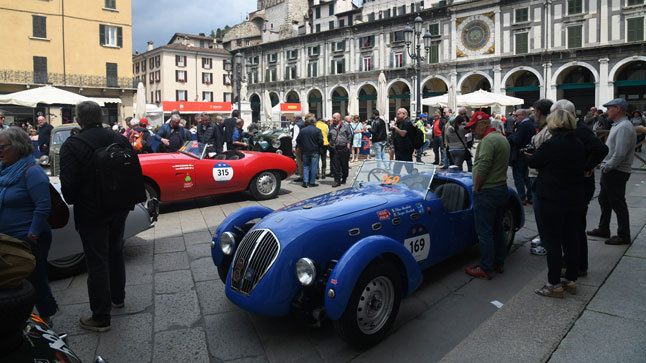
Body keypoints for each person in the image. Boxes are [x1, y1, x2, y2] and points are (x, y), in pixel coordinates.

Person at [59, 100, 137, 332]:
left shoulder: (73, 145)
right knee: (115, 251)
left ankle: (101, 316)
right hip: (120, 207)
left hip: (92, 212)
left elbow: (69, 189)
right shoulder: (119, 139)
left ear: (79, 119)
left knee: (96, 261)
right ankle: (118, 297)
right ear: (101, 117)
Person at [0, 127, 57, 325]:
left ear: (16, 147)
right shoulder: (4, 171)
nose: (0, 151)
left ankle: (46, 319)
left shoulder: (32, 172)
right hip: (7, 239)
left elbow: (43, 206)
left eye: (2, 147)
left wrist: (32, 233)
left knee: (36, 281)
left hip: (29, 238)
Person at [527, 109, 585, 298]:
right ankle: (571, 279)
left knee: (553, 241)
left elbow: (535, 162)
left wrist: (530, 156)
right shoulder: (578, 142)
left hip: (552, 197)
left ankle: (554, 284)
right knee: (571, 238)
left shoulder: (552, 143)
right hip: (574, 196)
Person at [551, 99, 608, 276]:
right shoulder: (573, 129)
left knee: (575, 227)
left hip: (580, 186)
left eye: (556, 115)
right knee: (570, 226)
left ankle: (579, 265)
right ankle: (571, 259)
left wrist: (585, 167)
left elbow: (601, 149)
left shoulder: (580, 130)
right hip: (574, 185)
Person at [464, 111, 510, 280]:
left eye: (474, 127)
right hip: (500, 188)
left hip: (487, 191)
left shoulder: (488, 141)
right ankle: (499, 263)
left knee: (485, 232)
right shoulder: (501, 138)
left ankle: (486, 267)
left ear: (484, 124)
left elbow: (483, 166)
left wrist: (476, 188)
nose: (473, 131)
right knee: (497, 228)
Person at [587, 98, 637, 245]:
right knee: (605, 200)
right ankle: (604, 228)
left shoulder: (624, 127)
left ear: (618, 109)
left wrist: (606, 167)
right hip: (612, 170)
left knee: (617, 202)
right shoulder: (619, 125)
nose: (607, 111)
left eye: (609, 108)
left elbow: (620, 154)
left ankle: (623, 234)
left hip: (616, 171)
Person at [526, 99, 554, 256]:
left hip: (540, 176)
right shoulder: (543, 128)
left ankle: (547, 244)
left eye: (534, 111)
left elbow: (546, 155)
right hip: (535, 174)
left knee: (542, 212)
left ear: (538, 112)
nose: (533, 114)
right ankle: (544, 238)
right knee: (539, 213)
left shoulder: (549, 130)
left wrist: (532, 157)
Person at [507, 109, 536, 205]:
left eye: (516, 115)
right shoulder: (529, 124)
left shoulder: (524, 125)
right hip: (526, 154)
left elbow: (517, 140)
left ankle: (522, 197)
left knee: (519, 177)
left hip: (520, 155)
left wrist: (511, 137)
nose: (514, 117)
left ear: (523, 115)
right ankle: (530, 196)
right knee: (526, 177)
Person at [296, 116, 324, 188]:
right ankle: (312, 182)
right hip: (314, 151)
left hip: (305, 150)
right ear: (315, 123)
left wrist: (302, 146)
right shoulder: (317, 130)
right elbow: (321, 141)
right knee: (314, 167)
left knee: (305, 166)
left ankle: (305, 181)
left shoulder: (303, 130)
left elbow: (298, 140)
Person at [328, 113, 352, 187]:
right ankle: (337, 180)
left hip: (344, 148)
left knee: (344, 165)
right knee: (335, 166)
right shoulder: (331, 126)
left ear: (339, 118)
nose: (333, 119)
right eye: (333, 118)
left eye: (334, 118)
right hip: (335, 148)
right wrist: (330, 144)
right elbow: (329, 136)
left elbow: (350, 135)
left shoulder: (345, 126)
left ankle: (344, 177)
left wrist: (348, 145)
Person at [391, 108, 415, 174]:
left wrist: (396, 128)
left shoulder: (407, 122)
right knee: (396, 170)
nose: (397, 115)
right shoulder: (400, 123)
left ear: (404, 114)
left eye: (398, 114)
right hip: (399, 150)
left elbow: (403, 133)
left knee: (410, 170)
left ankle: (414, 181)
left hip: (406, 151)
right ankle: (396, 181)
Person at [291, 116, 305, 181]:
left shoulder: (297, 125)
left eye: (293, 118)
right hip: (305, 145)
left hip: (299, 146)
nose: (293, 119)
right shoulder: (305, 123)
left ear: (296, 118)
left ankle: (302, 176)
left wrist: (293, 147)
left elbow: (295, 137)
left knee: (299, 162)